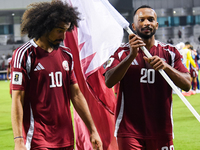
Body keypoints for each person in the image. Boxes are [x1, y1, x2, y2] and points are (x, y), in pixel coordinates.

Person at [10, 1, 102, 150]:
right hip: (37, 137)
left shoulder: (67, 55)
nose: (63, 35)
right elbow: (17, 98)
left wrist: (93, 130)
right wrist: (18, 139)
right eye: (59, 30)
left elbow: (76, 95)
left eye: (66, 30)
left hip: (65, 137)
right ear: (46, 27)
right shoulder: (25, 54)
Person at [103, 5, 191, 150]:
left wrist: (166, 67)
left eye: (150, 19)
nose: (146, 23)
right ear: (133, 25)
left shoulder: (170, 52)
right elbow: (109, 81)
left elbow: (187, 84)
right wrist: (131, 56)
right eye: (141, 20)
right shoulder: (121, 52)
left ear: (156, 24)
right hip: (129, 131)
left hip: (162, 130)